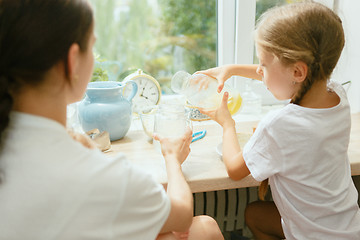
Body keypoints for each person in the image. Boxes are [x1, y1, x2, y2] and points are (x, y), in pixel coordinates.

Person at [0, 0, 224, 239]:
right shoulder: (103, 177)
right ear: (72, 61)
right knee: (203, 229)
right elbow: (181, 217)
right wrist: (172, 160)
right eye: (91, 47)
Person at [198, 2, 360, 240]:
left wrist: (227, 123)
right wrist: (231, 69)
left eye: (263, 63)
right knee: (256, 214)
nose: (260, 71)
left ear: (298, 73)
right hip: (347, 227)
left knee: (253, 213)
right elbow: (287, 72)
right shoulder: (338, 95)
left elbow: (234, 169)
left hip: (311, 235)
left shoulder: (279, 124)